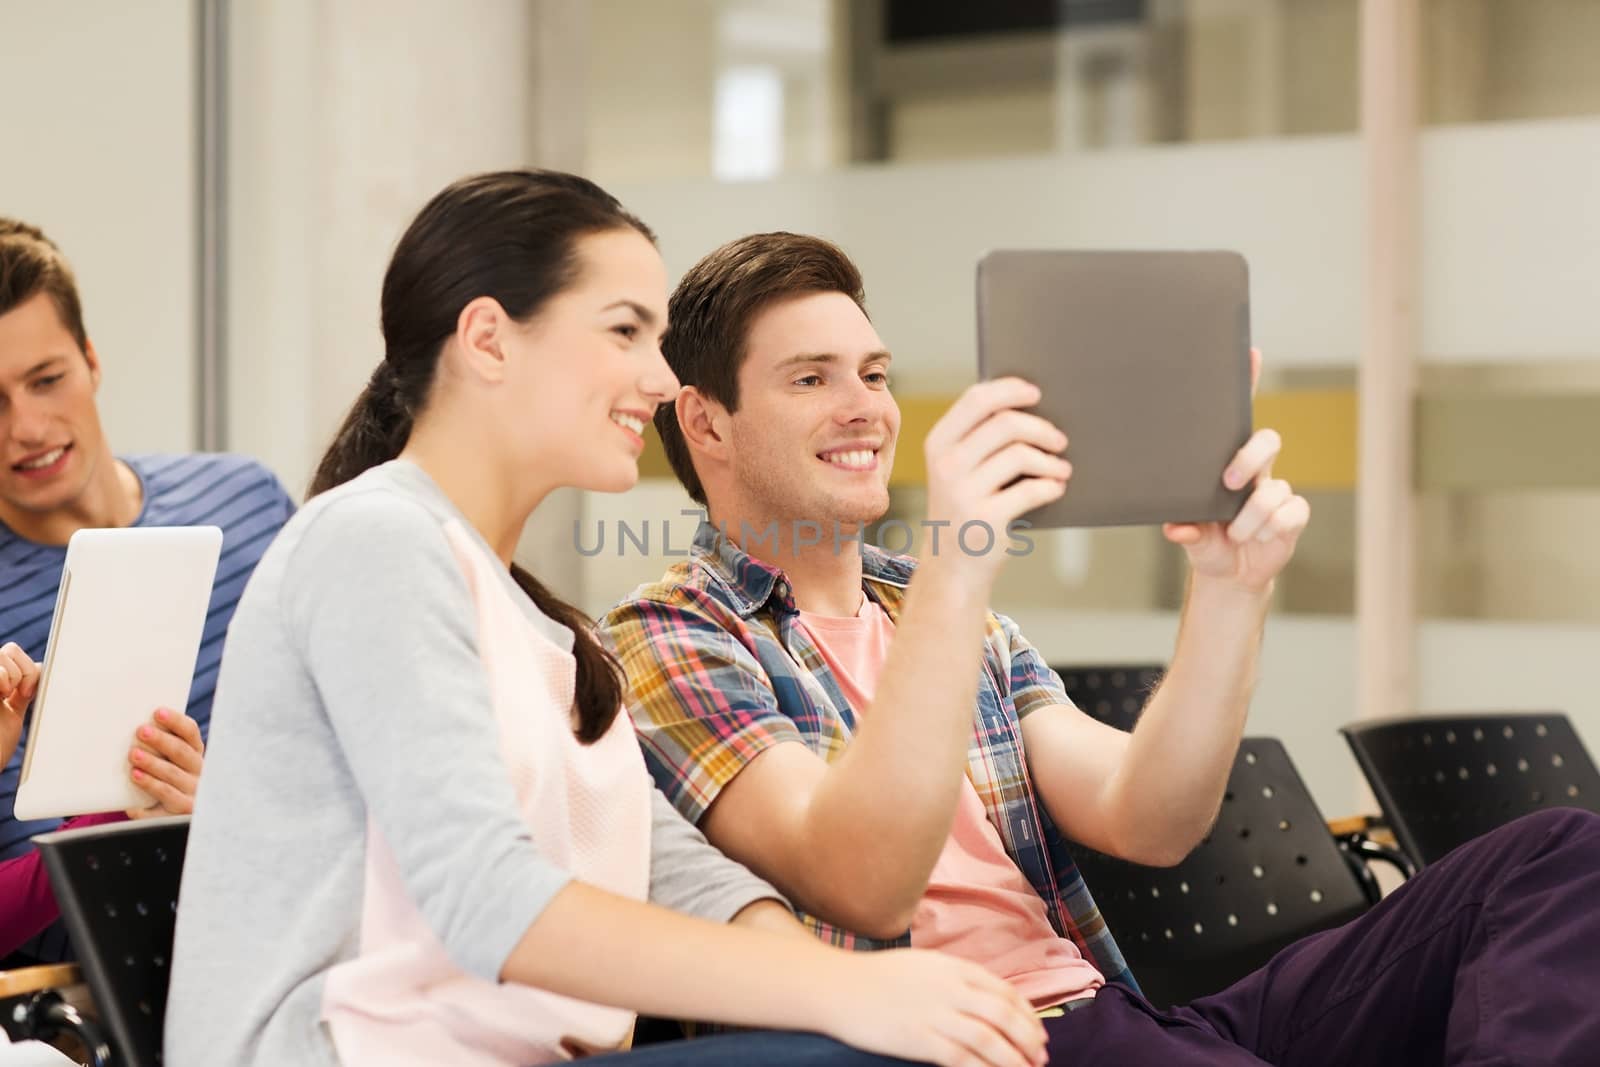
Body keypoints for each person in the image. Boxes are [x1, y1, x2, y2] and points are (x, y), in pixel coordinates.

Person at [599, 231, 1600, 1065]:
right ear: (705, 422)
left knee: (1557, 854)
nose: (865, 407)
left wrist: (1227, 589)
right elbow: (861, 881)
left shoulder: (942, 613)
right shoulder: (671, 633)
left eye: (873, 373)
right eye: (810, 378)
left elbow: (1150, 817)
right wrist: (960, 558)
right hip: (971, 1043)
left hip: (1115, 1016)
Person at [166, 170, 1049, 1067]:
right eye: (626, 330)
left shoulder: (541, 627)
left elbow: (676, 874)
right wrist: (848, 991)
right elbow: (489, 897)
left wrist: (850, 990)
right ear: (488, 341)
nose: (662, 379)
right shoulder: (372, 540)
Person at [0, 218, 294, 961]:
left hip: (298, 937)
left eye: (46, 379)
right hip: (88, 997)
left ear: (92, 360)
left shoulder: (248, 501)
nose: (26, 428)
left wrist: (225, 808)